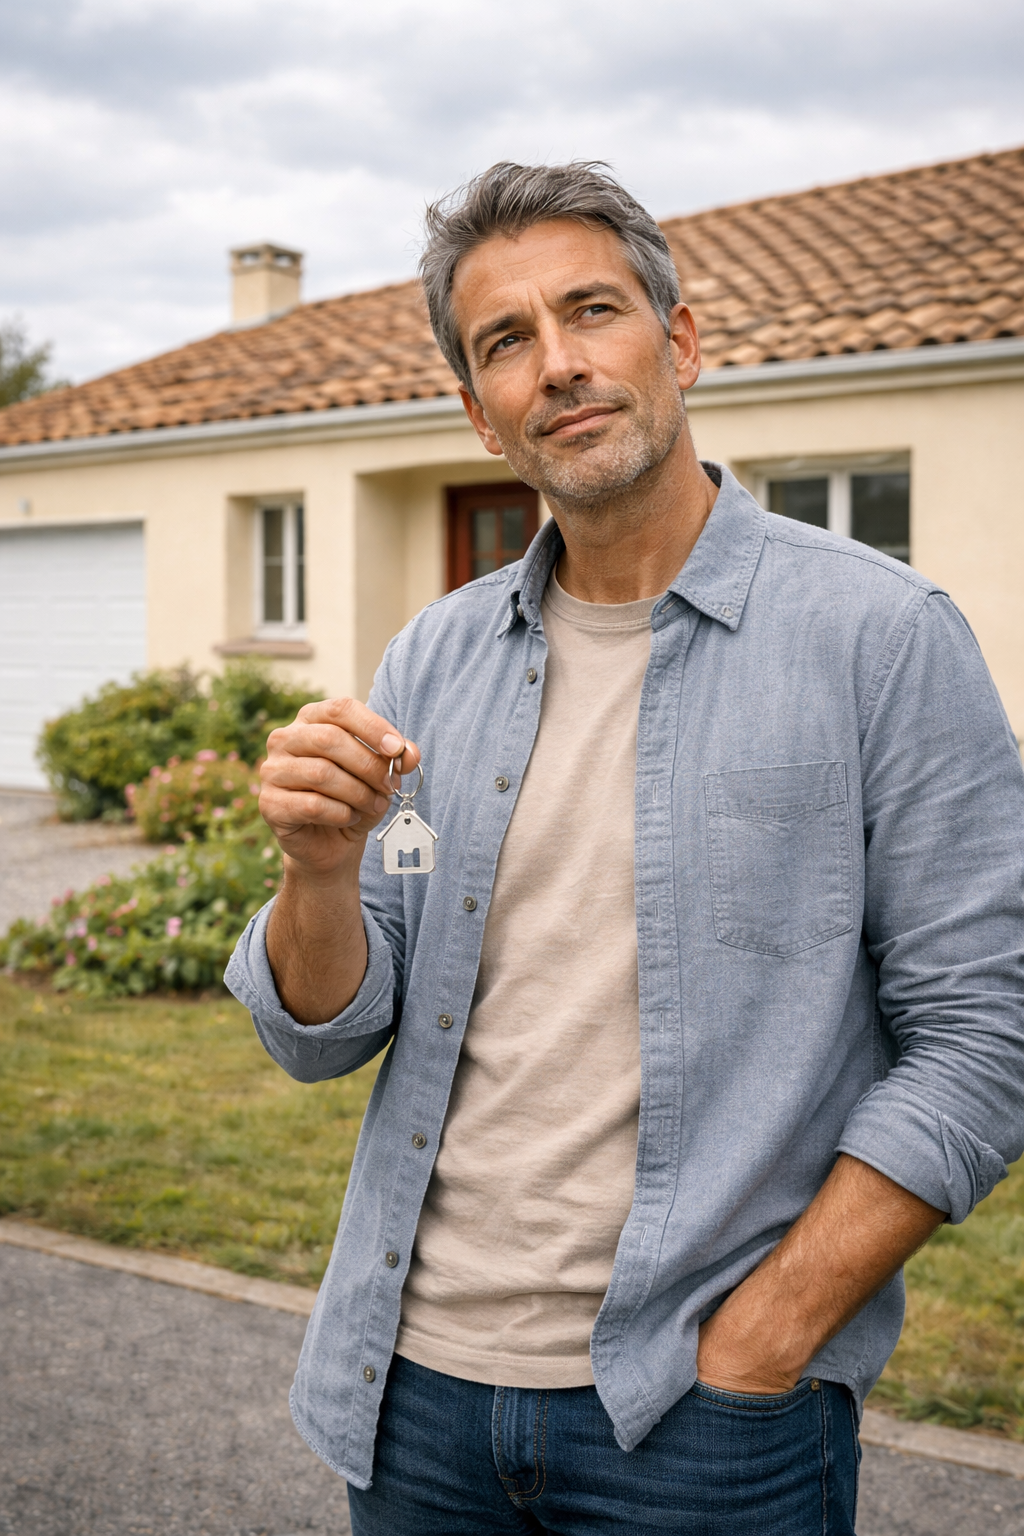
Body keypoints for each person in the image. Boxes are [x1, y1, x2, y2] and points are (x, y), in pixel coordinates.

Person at [225, 162, 1024, 1534]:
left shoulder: (881, 638)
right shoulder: (436, 653)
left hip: (703, 1420)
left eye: (592, 310)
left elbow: (986, 1030)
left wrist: (768, 1335)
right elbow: (323, 1032)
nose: (560, 364)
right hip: (413, 1397)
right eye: (507, 343)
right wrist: (317, 868)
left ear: (684, 341)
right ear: (481, 416)